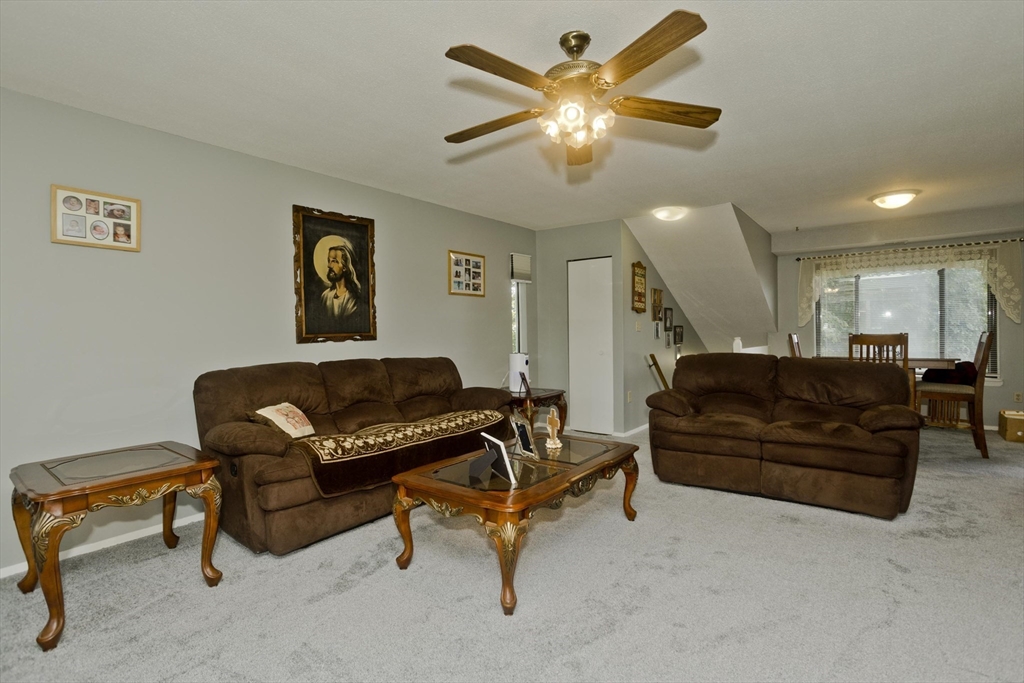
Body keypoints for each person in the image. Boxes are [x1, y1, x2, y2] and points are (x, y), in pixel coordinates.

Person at [320, 239, 361, 320]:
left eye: (334, 261)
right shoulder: (325, 296)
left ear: (345, 267)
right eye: (329, 261)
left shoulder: (352, 299)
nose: (329, 265)